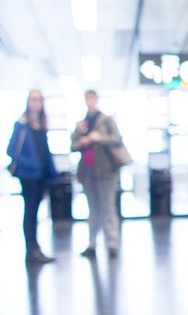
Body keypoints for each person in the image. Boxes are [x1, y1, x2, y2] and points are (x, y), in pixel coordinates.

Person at [6, 89, 59, 264]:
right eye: (33, 99)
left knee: (35, 212)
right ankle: (31, 249)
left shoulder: (41, 124)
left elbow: (46, 151)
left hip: (41, 175)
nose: (36, 103)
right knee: (30, 212)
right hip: (28, 176)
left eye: (39, 100)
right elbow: (11, 150)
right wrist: (31, 163)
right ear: (28, 102)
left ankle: (35, 247)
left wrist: (52, 171)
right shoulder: (21, 125)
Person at [70, 89, 125, 259]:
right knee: (92, 208)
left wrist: (98, 137)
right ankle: (92, 243)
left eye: (92, 98)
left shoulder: (106, 120)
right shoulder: (82, 123)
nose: (90, 102)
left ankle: (112, 243)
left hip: (106, 170)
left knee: (107, 206)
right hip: (87, 170)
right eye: (88, 99)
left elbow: (117, 139)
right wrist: (82, 141)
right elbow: (72, 145)